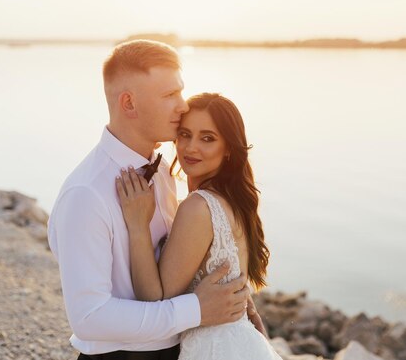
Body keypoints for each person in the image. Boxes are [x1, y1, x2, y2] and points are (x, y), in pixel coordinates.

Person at [48, 40, 260, 360]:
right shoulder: (85, 194)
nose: (182, 105)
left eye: (180, 91)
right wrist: (198, 309)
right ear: (129, 103)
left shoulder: (164, 172)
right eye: (169, 95)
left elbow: (182, 258)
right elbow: (89, 318)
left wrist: (232, 292)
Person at [116, 93, 282, 360]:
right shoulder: (233, 199)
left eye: (207, 138)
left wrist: (137, 225)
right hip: (242, 343)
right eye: (184, 134)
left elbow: (156, 300)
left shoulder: (198, 206)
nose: (191, 148)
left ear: (229, 147)